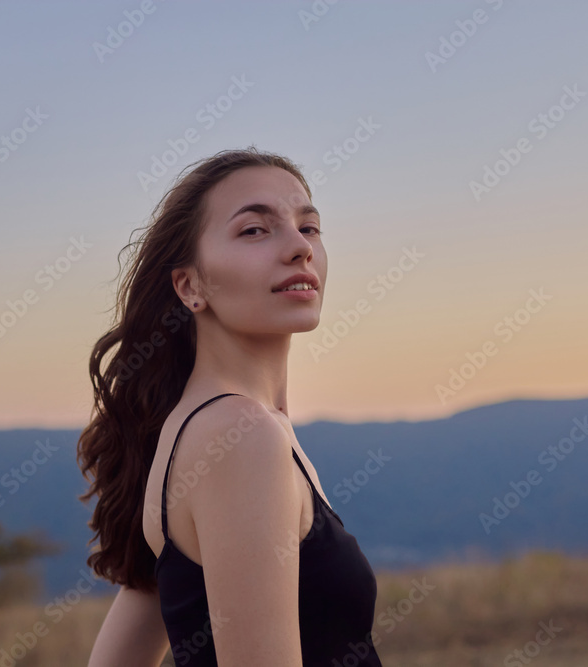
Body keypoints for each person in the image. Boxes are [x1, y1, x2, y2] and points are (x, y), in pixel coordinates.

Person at [81, 146, 382, 666]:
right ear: (190, 285)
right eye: (254, 230)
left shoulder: (218, 430)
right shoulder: (239, 435)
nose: (298, 248)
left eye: (308, 228)